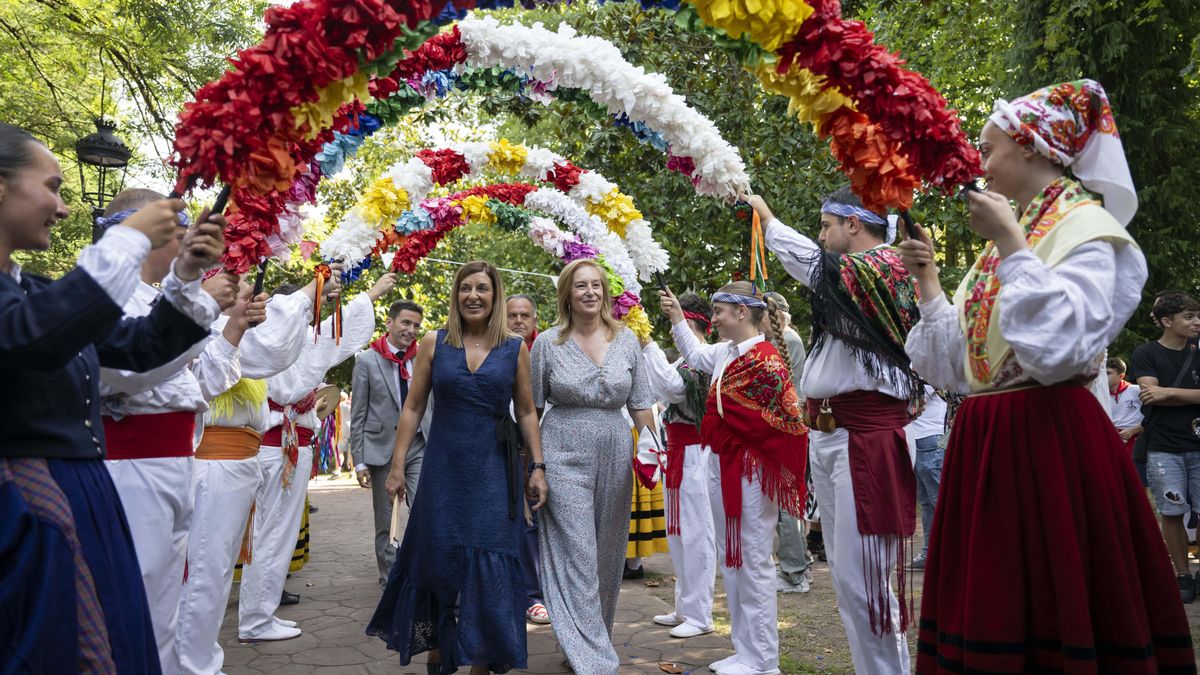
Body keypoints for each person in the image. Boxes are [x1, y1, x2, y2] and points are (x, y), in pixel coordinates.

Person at [899, 79, 1194, 671]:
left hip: (1048, 437)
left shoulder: (1086, 230)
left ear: (1030, 145)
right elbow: (962, 364)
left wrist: (1010, 240)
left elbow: (1057, 350)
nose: (979, 163)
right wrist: (929, 281)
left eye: (988, 148)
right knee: (997, 590)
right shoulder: (1006, 240)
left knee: (1051, 594)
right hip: (987, 438)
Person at [0, 123, 229, 673]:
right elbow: (29, 338)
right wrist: (125, 240)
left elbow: (136, 348)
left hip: (80, 493)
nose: (61, 206)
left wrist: (187, 276)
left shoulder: (31, 287)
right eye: (51, 186)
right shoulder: (36, 304)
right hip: (23, 507)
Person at [748, 184, 922, 674]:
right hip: (833, 434)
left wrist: (766, 215)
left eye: (826, 225)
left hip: (864, 439)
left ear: (853, 223)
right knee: (850, 579)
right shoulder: (853, 276)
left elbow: (811, 264)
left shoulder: (883, 267)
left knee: (864, 579)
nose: (821, 235)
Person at [367, 261, 549, 674]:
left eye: (482, 288)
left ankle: (481, 661)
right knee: (439, 558)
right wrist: (397, 468)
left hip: (494, 471)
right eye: (465, 288)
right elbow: (413, 407)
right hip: (442, 470)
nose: (473, 295)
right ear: (455, 295)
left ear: (494, 295)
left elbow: (525, 411)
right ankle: (440, 650)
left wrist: (537, 467)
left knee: (488, 560)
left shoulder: (514, 348)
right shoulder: (434, 342)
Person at [96, 188, 250, 672]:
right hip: (131, 464)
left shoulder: (160, 298)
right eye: (180, 233)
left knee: (166, 602)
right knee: (133, 595)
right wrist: (197, 302)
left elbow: (193, 385)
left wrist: (232, 330)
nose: (187, 246)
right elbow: (131, 371)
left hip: (173, 462)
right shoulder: (110, 294)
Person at [176, 277, 325, 673]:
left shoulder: (236, 336)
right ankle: (192, 664)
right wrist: (312, 291)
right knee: (205, 568)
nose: (253, 296)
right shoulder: (204, 332)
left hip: (239, 462)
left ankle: (200, 658)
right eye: (241, 288)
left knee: (219, 568)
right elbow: (266, 349)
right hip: (214, 463)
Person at [661, 281, 807, 675]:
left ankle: (764, 660)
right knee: (734, 559)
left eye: (720, 311)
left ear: (741, 313)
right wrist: (676, 317)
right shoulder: (727, 353)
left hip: (752, 473)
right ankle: (745, 650)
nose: (714, 318)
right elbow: (693, 353)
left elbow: (785, 425)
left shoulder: (764, 360)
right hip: (725, 465)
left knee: (753, 561)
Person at [236, 273, 392, 643]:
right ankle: (256, 618)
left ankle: (260, 613)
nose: (312, 319)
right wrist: (370, 293)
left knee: (273, 534)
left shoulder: (279, 342)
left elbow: (330, 335)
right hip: (280, 447)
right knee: (273, 533)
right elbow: (331, 334)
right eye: (308, 311)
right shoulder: (282, 340)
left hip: (280, 446)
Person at [531, 259, 657, 674]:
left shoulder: (627, 341)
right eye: (580, 286)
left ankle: (584, 640)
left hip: (616, 451)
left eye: (596, 286)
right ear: (566, 293)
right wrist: (535, 466)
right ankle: (594, 660)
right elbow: (530, 408)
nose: (589, 292)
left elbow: (640, 404)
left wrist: (653, 449)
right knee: (578, 552)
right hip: (562, 449)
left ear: (605, 292)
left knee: (607, 552)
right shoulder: (546, 343)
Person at [641, 292, 718, 639]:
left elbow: (672, 390)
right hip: (678, 454)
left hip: (696, 454)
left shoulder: (699, 361)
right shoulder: (683, 362)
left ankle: (701, 614)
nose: (674, 333)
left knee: (698, 535)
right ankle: (685, 607)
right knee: (679, 534)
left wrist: (647, 345)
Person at [351, 297, 432, 584]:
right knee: (386, 520)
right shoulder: (367, 360)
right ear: (390, 322)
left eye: (416, 325)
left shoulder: (424, 356)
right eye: (406, 322)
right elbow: (358, 413)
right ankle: (391, 580)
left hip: (419, 445)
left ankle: (421, 573)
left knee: (425, 509)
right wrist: (358, 460)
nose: (411, 330)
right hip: (381, 449)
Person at [1129, 290, 1200, 602]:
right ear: (1166, 321)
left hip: (1198, 446)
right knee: (1171, 511)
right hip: (1163, 448)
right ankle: (1182, 575)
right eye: (1189, 316)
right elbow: (1149, 393)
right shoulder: (1146, 354)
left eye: (1197, 315)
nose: (1196, 322)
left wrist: (1168, 394)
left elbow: (1160, 394)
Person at [762, 291, 813, 594]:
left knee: (788, 503)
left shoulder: (788, 341)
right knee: (784, 503)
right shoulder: (778, 342)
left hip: (786, 432)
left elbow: (785, 391)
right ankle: (795, 565)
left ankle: (795, 572)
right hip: (783, 430)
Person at [506, 292, 550, 625]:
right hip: (499, 449)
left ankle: (535, 596)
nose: (519, 321)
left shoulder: (546, 352)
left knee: (533, 522)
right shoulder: (492, 350)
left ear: (535, 320)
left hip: (538, 451)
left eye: (525, 315)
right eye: (512, 315)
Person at [904, 386, 947, 570]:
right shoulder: (915, 363)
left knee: (940, 502)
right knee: (927, 502)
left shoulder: (932, 363)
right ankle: (929, 553)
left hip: (931, 438)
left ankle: (954, 553)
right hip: (918, 439)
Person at [1107, 356, 1145, 485]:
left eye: (1108, 373)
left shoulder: (1136, 390)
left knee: (1136, 480)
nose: (1104, 377)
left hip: (1137, 439)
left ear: (1121, 376)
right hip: (1112, 439)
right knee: (1115, 479)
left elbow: (1154, 415)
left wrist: (1134, 430)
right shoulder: (1100, 393)